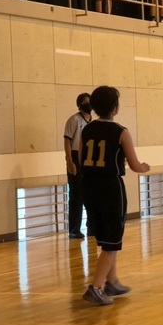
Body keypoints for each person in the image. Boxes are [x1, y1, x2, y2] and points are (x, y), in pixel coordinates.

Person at [80, 86, 150, 305]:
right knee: (112, 241)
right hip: (110, 187)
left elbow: (81, 158)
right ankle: (96, 287)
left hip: (88, 186)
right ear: (114, 108)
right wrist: (144, 167)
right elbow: (135, 165)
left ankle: (112, 281)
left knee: (105, 237)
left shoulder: (86, 129)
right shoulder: (121, 131)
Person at [63, 92, 92, 239]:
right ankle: (74, 230)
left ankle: (91, 227)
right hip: (75, 157)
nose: (89, 105)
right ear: (80, 105)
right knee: (76, 195)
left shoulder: (92, 122)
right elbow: (67, 141)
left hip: (88, 158)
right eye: (86, 103)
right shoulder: (74, 120)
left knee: (90, 194)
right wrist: (70, 161)